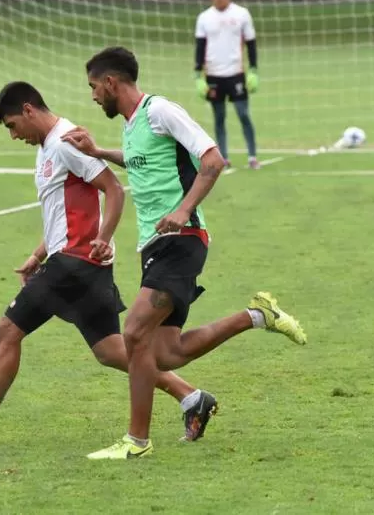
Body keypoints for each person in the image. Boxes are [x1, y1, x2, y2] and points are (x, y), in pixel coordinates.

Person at [0, 81, 218, 447]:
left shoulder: (66, 140)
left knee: (8, 329)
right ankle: (192, 398)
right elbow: (60, 214)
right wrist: (38, 254)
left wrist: (103, 235)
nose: (13, 135)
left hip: (77, 262)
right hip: (75, 262)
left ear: (29, 110)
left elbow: (113, 189)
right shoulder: (47, 147)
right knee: (111, 351)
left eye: (12, 125)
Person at [62, 47, 306, 460]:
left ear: (110, 83)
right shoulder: (132, 124)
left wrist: (183, 209)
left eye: (92, 87)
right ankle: (258, 315)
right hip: (155, 245)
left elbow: (213, 160)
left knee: (134, 334)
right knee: (167, 353)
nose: (92, 97)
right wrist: (99, 153)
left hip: (182, 239)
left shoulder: (160, 111)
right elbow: (141, 162)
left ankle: (136, 441)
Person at [194, 0, 259, 170]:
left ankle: (252, 156)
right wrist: (198, 75)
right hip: (214, 76)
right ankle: (223, 157)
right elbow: (200, 47)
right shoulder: (204, 18)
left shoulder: (241, 14)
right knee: (219, 117)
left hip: (236, 74)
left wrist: (253, 70)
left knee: (243, 114)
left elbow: (251, 43)